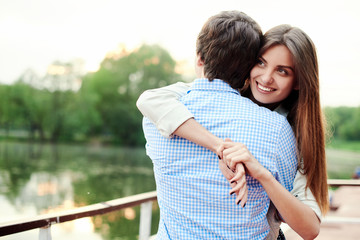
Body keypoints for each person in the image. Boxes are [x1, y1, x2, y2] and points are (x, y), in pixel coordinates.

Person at [137, 24, 329, 239]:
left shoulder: (293, 134)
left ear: (298, 82)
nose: (266, 78)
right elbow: (150, 100)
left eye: (282, 71)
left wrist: (262, 173)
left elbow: (310, 229)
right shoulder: (218, 95)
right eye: (260, 63)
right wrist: (220, 147)